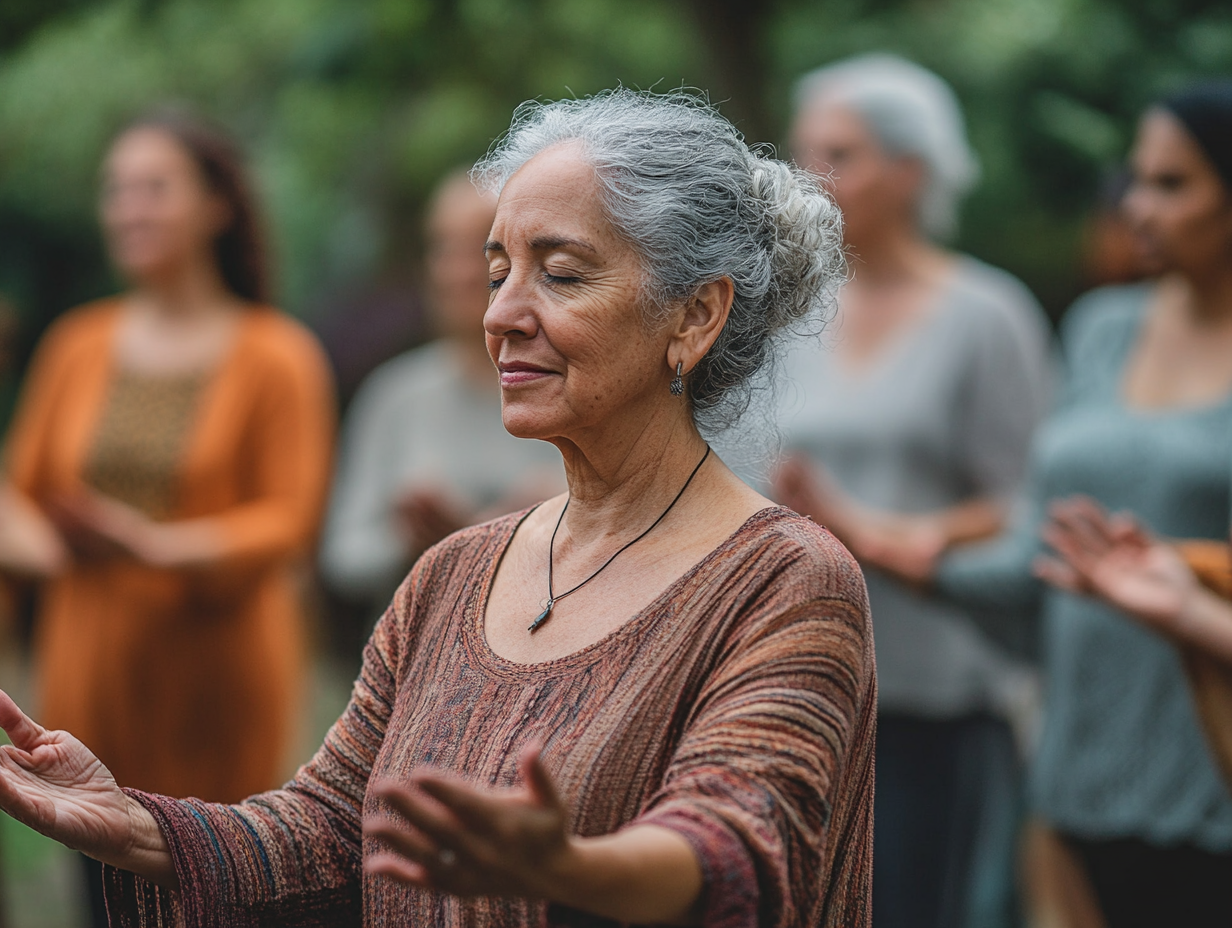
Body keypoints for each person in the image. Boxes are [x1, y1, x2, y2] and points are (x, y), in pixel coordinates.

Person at [0, 90, 875, 927]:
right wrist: (136, 827)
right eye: (499, 272)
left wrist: (569, 868)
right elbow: (331, 832)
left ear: (694, 316)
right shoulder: (454, 575)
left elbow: (739, 844)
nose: (501, 313)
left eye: (560, 274)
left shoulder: (787, 581)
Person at [0, 111, 335, 925]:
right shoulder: (78, 343)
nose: (129, 209)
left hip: (215, 681)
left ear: (217, 205)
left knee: (209, 881)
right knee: (98, 876)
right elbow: (17, 488)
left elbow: (289, 521)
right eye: (115, 191)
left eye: (153, 188)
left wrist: (155, 545)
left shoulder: (276, 355)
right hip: (93, 667)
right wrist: (41, 547)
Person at [934, 81, 1232, 928]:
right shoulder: (1103, 326)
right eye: (1136, 179)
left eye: (1173, 184)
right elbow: (1043, 533)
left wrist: (1188, 598)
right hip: (1082, 754)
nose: (1137, 206)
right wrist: (917, 559)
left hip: (1209, 764)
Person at [769, 53, 1052, 928]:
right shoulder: (780, 310)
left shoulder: (986, 315)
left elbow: (1027, 503)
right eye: (802, 151)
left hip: (931, 689)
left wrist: (873, 529)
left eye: (839, 154)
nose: (809, 176)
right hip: (792, 677)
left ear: (911, 170)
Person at [321, 171, 562, 627]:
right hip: (422, 646)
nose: (458, 270)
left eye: (481, 247)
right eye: (442, 247)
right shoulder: (395, 395)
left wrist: (545, 518)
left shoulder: (569, 386)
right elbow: (344, 557)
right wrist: (420, 536)